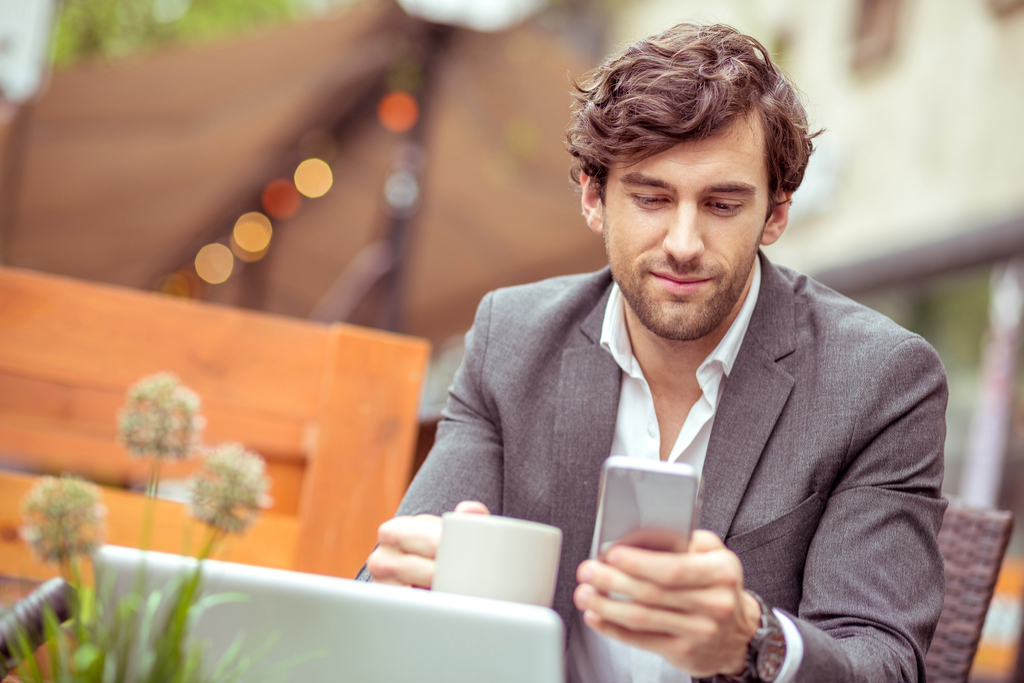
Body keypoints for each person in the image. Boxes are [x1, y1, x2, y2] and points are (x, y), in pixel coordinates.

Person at [361, 22, 947, 683]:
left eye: (723, 203)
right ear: (593, 196)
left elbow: (886, 662)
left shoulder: (879, 379)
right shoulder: (512, 338)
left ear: (777, 213)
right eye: (651, 198)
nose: (683, 241)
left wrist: (753, 643)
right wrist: (415, 585)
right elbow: (381, 587)